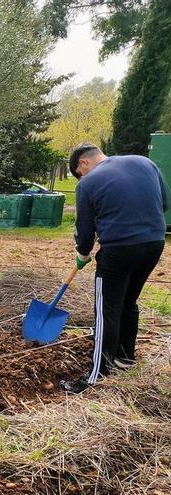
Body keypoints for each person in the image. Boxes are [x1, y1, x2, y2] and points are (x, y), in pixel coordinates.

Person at [60, 143, 168, 393]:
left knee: (107, 310)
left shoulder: (87, 183)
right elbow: (163, 204)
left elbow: (85, 231)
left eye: (80, 173)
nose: (82, 178)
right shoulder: (144, 162)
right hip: (154, 244)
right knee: (128, 302)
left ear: (83, 163)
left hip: (119, 251)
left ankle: (96, 376)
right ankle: (124, 360)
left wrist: (83, 252)